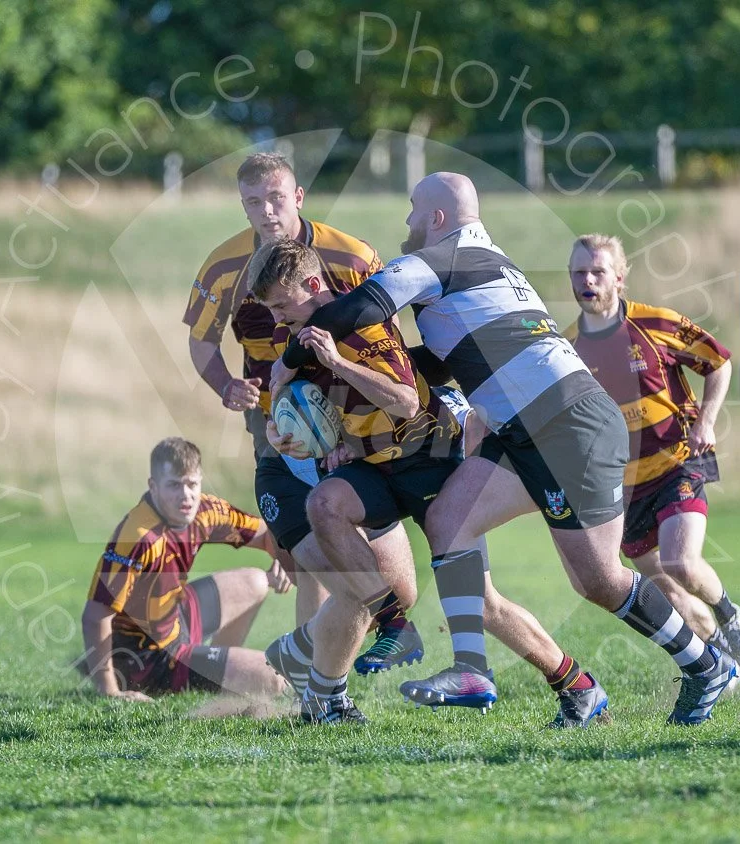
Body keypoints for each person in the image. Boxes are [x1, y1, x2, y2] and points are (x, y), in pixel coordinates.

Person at [274, 173, 736, 726]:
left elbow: (359, 310)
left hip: (568, 422)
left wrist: (293, 358)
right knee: (449, 520)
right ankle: (473, 669)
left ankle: (704, 664)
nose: (407, 223)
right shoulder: (486, 264)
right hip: (528, 428)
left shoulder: (439, 258)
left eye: (413, 210)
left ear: (439, 219)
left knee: (600, 581)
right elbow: (447, 359)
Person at [252, 240, 611, 728]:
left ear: (313, 286)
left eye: (280, 304)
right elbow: (314, 409)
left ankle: (577, 687)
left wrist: (336, 363)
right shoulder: (300, 338)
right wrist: (297, 435)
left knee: (481, 603)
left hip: (432, 462)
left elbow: (403, 402)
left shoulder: (363, 326)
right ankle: (394, 624)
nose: (277, 319)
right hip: (376, 467)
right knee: (325, 505)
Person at [182, 151, 420, 670]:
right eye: (252, 202)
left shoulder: (352, 256)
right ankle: (316, 680)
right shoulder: (224, 265)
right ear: (242, 206)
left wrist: (357, 425)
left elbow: (391, 339)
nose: (266, 211)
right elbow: (201, 342)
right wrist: (227, 385)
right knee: (313, 553)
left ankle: (315, 651)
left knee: (386, 567)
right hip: (280, 413)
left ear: (297, 197)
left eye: (274, 198)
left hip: (353, 405)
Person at [564, 234, 740, 673]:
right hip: (624, 486)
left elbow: (719, 363)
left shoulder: (656, 324)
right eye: (579, 272)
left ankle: (730, 616)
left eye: (597, 271)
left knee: (680, 561)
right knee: (667, 591)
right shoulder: (569, 348)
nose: (588, 281)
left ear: (619, 277)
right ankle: (719, 662)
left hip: (678, 462)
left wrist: (707, 421)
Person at [80, 437, 295, 701]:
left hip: (175, 618)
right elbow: (95, 616)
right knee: (274, 679)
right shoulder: (138, 537)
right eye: (174, 485)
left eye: (192, 484)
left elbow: (264, 534)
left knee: (256, 581)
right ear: (153, 487)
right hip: (147, 657)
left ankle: (214, 673)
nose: (186, 495)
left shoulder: (205, 510)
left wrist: (283, 559)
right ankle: (209, 672)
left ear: (200, 481)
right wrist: (110, 691)